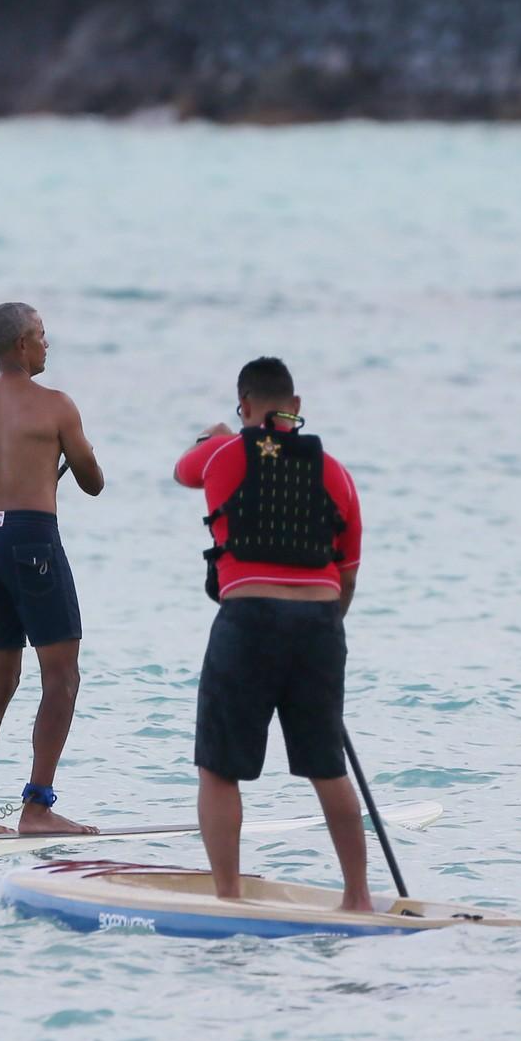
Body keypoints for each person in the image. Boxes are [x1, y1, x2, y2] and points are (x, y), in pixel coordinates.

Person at [173, 356, 372, 909]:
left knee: (218, 768)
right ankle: (357, 897)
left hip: (249, 620)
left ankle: (230, 896)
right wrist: (323, 629)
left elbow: (184, 470)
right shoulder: (335, 471)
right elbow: (348, 573)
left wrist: (216, 436)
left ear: (244, 407)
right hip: (319, 624)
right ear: (296, 408)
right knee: (326, 766)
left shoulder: (222, 453)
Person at [0, 302, 104, 835]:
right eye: (42, 336)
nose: (47, 345)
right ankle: (38, 808)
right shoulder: (56, 407)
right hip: (32, 539)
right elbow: (94, 481)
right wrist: (68, 466)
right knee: (62, 676)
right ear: (22, 346)